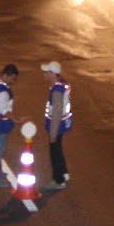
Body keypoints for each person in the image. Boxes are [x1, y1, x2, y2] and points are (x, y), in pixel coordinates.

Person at [41, 61, 72, 189]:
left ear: (53, 74)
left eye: (46, 72)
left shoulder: (57, 91)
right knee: (58, 149)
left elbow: (57, 112)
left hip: (57, 126)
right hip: (62, 124)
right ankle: (64, 173)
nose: (44, 74)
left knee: (55, 153)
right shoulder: (62, 84)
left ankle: (59, 180)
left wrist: (52, 134)